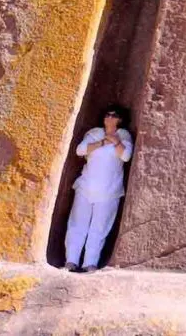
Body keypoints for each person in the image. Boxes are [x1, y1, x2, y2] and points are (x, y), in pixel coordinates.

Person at [64, 104, 134, 272]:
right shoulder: (94, 133)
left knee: (100, 227)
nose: (109, 117)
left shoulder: (124, 136)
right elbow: (80, 150)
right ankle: (71, 261)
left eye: (114, 115)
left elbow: (125, 156)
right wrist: (103, 141)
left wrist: (115, 140)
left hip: (110, 190)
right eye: (107, 114)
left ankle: (90, 263)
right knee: (77, 224)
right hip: (86, 186)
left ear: (120, 119)